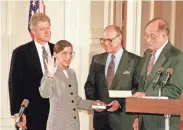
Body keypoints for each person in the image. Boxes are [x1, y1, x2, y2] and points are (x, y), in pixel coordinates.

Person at [84, 25, 141, 130]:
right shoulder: (97, 59)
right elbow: (89, 85)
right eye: (103, 40)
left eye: (109, 39)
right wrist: (94, 102)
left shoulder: (135, 61)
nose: (106, 43)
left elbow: (138, 89)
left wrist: (120, 103)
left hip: (123, 120)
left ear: (119, 38)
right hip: (101, 120)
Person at [39, 40, 102, 130]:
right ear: (55, 54)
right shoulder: (50, 73)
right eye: (64, 53)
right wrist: (50, 75)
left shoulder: (71, 73)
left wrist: (94, 105)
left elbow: (75, 101)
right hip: (57, 125)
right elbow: (44, 94)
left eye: (70, 53)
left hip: (73, 125)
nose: (68, 57)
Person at [133, 18, 183, 130]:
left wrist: (146, 95)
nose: (148, 40)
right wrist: (137, 116)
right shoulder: (147, 54)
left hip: (163, 121)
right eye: (146, 35)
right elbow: (142, 86)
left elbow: (174, 90)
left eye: (152, 36)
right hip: (143, 120)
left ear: (164, 35)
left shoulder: (177, 56)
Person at [8, 13, 54, 130]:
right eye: (42, 29)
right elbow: (14, 83)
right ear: (33, 31)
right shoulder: (20, 52)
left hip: (56, 111)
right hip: (31, 113)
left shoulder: (57, 50)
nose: (47, 31)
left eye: (48, 28)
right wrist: (18, 112)